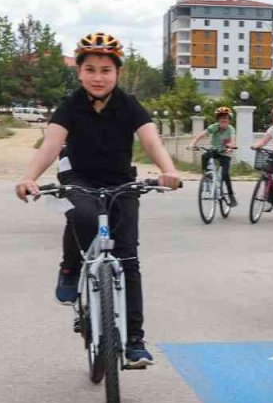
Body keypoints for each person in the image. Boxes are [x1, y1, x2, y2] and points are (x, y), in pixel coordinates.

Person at [14, 32, 182, 368]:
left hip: (121, 181)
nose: (98, 76)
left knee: (129, 257)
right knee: (82, 216)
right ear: (79, 72)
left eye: (106, 69)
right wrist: (29, 177)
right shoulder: (70, 105)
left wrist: (169, 170)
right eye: (90, 69)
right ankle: (69, 267)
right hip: (80, 178)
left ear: (117, 72)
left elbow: (150, 141)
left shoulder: (129, 104)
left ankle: (135, 342)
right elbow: (50, 146)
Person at [191, 107, 238, 206]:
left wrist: (231, 146)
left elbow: (233, 141)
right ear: (218, 119)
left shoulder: (231, 129)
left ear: (229, 119)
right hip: (215, 150)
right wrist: (193, 144)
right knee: (205, 156)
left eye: (225, 118)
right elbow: (201, 135)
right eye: (221, 118)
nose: (223, 120)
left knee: (225, 174)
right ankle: (207, 177)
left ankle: (231, 195)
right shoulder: (214, 127)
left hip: (225, 153)